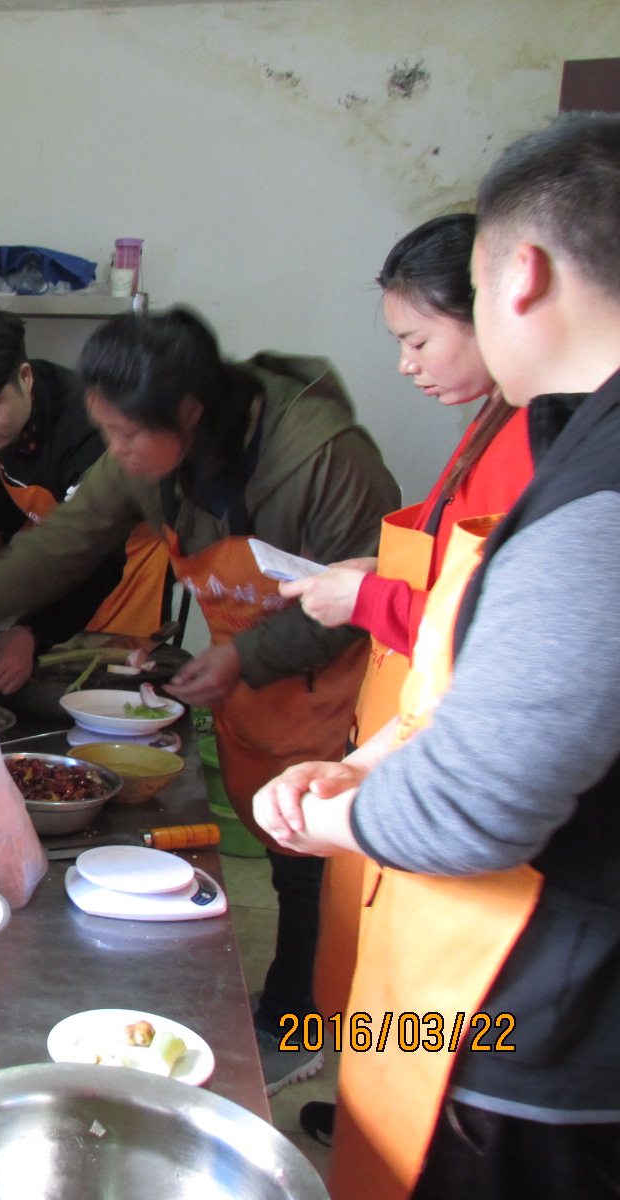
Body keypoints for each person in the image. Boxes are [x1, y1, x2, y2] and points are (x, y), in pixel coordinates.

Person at [0, 307, 400, 1094]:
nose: (118, 455)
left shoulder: (324, 460)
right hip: (247, 671)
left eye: (127, 437)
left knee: (313, 871)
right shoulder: (147, 442)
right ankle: (296, 1003)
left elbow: (365, 604)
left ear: (189, 414)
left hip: (326, 681)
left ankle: (307, 1022)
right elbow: (69, 540)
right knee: (275, 845)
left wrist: (243, 659)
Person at [254, 112, 620, 1200]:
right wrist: (375, 765)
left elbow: (473, 811)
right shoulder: (571, 435)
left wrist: (320, 816)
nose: (410, 360)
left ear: (521, 274)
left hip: (532, 1023)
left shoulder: (592, 495)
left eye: (422, 330)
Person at [285, 215, 536, 1037]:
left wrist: (366, 604)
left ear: (500, 303)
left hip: (447, 743)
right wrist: (373, 573)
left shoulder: (543, 442)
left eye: (419, 340)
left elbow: (489, 624)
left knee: (437, 992)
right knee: (371, 963)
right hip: (399, 723)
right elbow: (442, 546)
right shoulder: (494, 417)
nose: (406, 364)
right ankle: (350, 1071)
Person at [0, 305, 171, 694]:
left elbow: (99, 560)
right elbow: (11, 474)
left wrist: (31, 632)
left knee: (109, 695)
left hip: (124, 576)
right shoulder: (7, 421)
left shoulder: (88, 434)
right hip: (60, 574)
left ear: (25, 377)